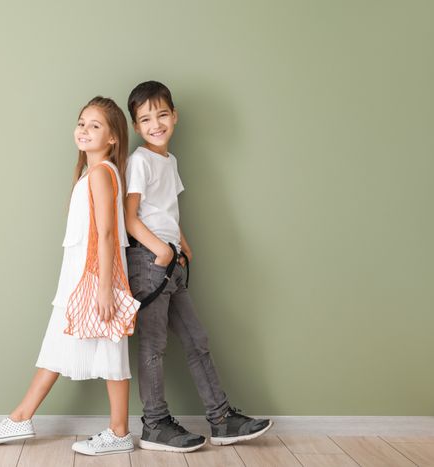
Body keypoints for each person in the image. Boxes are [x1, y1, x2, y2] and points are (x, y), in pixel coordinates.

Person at [0, 96, 136, 456]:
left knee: (110, 349)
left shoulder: (100, 174)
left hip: (94, 280)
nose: (84, 130)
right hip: (82, 279)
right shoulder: (90, 174)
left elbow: (108, 233)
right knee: (63, 346)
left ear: (113, 138)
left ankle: (117, 430)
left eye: (95, 126)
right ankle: (23, 416)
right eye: (81, 123)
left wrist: (106, 288)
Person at [124, 81, 272, 452]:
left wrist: (183, 246)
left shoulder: (169, 161)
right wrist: (161, 250)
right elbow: (130, 218)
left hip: (171, 260)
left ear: (174, 116)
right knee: (154, 345)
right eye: (145, 119)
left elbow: (166, 212)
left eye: (161, 114)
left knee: (196, 340)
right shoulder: (139, 161)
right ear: (136, 127)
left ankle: (221, 419)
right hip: (149, 260)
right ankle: (155, 423)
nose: (155, 123)